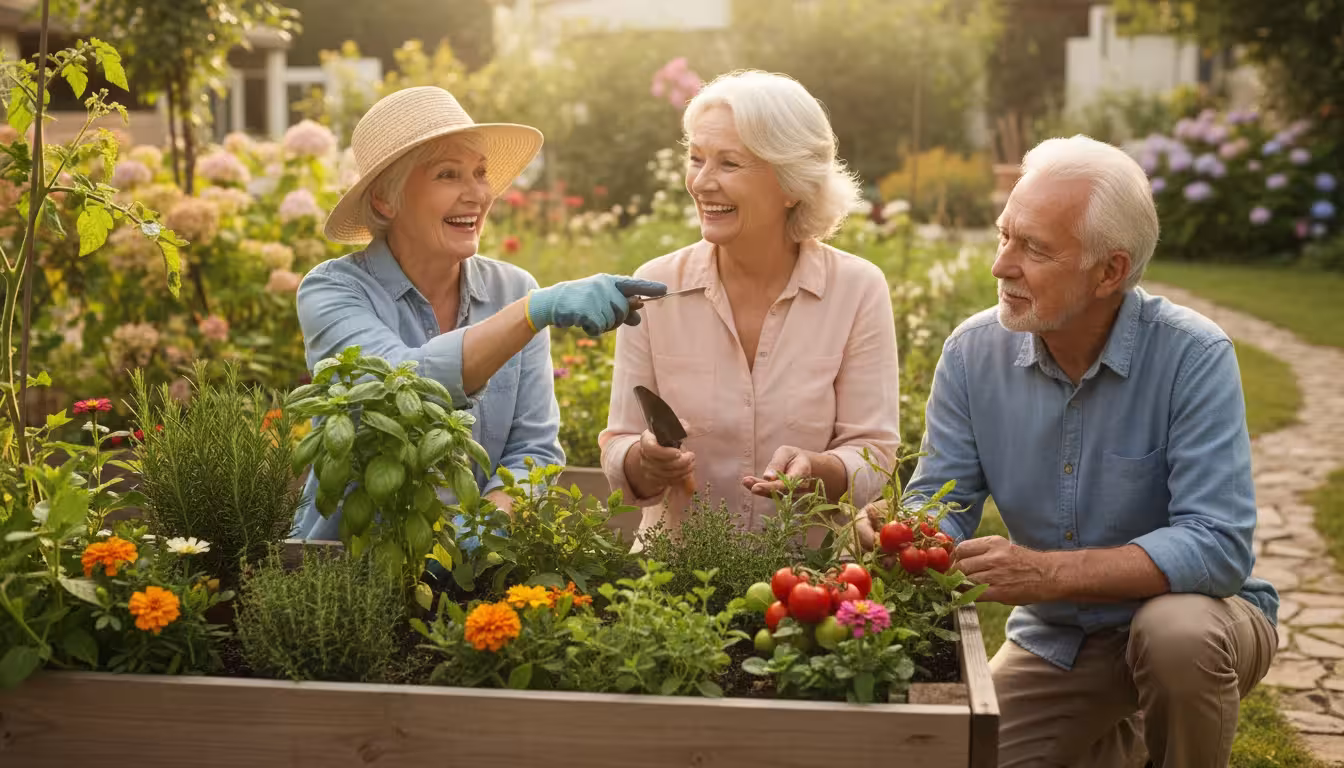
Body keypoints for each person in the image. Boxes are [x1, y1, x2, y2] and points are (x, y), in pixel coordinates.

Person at [858, 135, 1279, 767]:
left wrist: (1047, 573)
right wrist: (902, 532)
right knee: (959, 755)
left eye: (1034, 248)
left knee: (1173, 638)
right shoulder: (973, 355)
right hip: (1060, 640)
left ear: (1110, 270)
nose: (1001, 265)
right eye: (1005, 235)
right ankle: (1114, 735)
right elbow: (943, 499)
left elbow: (1217, 544)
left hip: (1202, 621)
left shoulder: (1193, 355)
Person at [292, 86, 666, 541]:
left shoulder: (512, 288)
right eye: (448, 175)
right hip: (345, 571)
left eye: (480, 173)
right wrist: (533, 312)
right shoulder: (333, 290)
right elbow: (400, 382)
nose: (477, 194)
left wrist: (479, 534)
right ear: (384, 201)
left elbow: (534, 450)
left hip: (481, 567)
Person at [598, 70, 901, 542]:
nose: (701, 182)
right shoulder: (656, 286)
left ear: (792, 183)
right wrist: (645, 459)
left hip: (810, 585)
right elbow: (620, 445)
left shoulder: (857, 289)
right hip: (672, 585)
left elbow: (875, 454)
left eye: (729, 164)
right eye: (696, 159)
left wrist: (821, 470)